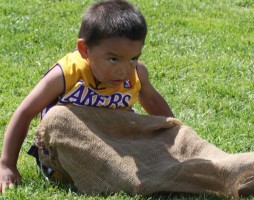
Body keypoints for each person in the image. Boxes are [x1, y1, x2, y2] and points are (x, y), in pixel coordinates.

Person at [0, 0, 174, 193]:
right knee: (59, 119)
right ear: (84, 50)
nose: (124, 70)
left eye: (134, 58)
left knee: (149, 147)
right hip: (66, 150)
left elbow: (151, 100)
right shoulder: (67, 73)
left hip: (112, 141)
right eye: (113, 59)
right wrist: (7, 164)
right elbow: (25, 113)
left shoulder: (137, 74)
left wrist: (175, 133)